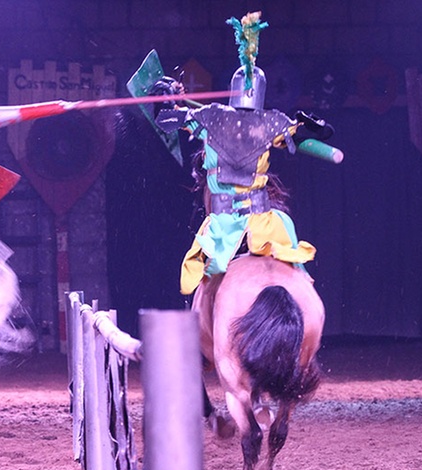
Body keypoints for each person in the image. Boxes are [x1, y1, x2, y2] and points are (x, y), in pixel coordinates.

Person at [139, 12, 335, 295]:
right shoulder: (272, 122)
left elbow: (165, 119)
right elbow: (316, 132)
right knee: (294, 260)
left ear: (232, 91)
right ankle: (305, 292)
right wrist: (312, 124)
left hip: (222, 226)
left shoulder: (209, 117)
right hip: (265, 223)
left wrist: (165, 95)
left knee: (199, 283)